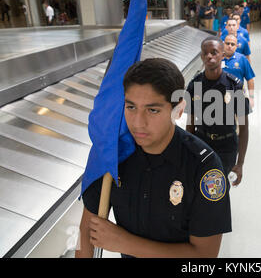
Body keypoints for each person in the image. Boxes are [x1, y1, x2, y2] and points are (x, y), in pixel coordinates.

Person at [77, 58, 231, 258]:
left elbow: (204, 255)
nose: (138, 123)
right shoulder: (114, 157)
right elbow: (86, 231)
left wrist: (125, 243)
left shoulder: (204, 168)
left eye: (152, 110)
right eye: (131, 107)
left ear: (179, 109)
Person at [185, 37, 250, 187]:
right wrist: (189, 152)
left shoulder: (235, 86)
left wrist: (240, 164)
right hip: (202, 144)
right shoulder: (194, 85)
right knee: (201, 185)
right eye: (205, 53)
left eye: (214, 52)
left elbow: (244, 127)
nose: (209, 56)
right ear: (201, 57)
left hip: (227, 147)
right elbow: (190, 123)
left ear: (222, 55)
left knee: (221, 187)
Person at [223, 34, 256, 108]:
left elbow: (250, 79)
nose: (230, 46)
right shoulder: (217, 59)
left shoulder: (242, 59)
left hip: (239, 94)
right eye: (227, 43)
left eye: (232, 44)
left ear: (236, 46)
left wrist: (251, 98)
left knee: (241, 119)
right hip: (220, 95)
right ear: (223, 44)